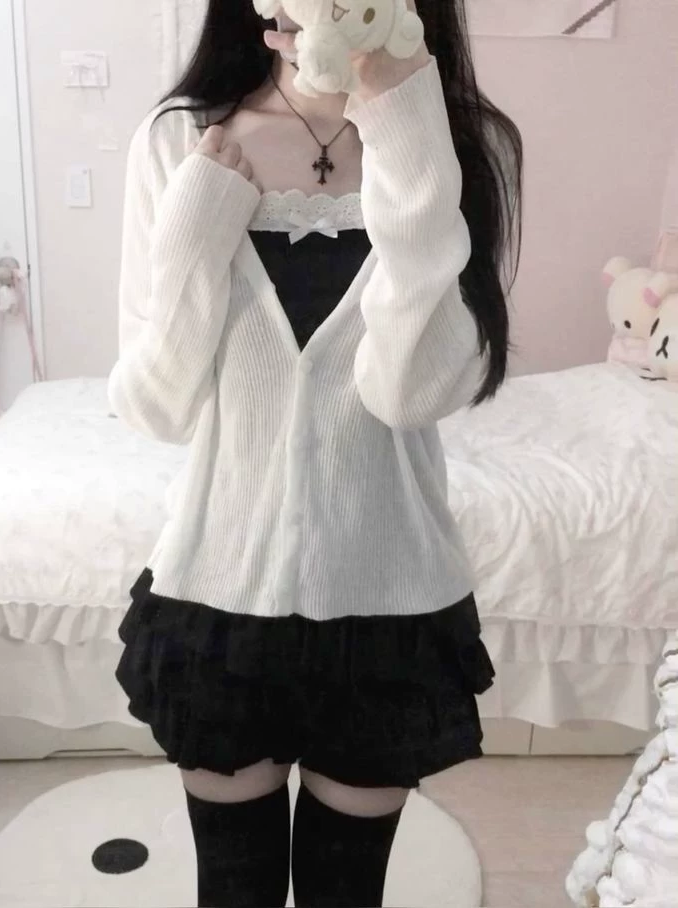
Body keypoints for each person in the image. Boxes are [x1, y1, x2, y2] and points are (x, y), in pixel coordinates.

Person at [109, 1, 523, 906]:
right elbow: (155, 405)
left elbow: (408, 392)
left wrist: (403, 126)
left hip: (389, 605)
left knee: (346, 893)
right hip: (217, 597)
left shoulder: (459, 139)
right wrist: (196, 231)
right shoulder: (182, 137)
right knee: (234, 890)